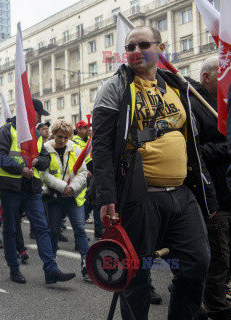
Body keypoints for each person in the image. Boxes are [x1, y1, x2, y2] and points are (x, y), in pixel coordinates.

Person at [93, 26, 217, 319]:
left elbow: (200, 141)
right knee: (136, 276)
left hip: (182, 194)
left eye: (143, 45)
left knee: (196, 264)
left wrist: (207, 193)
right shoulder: (116, 88)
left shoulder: (178, 85)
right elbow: (101, 147)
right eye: (130, 47)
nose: (135, 52)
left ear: (161, 47)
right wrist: (106, 198)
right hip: (139, 197)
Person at [0, 98, 75, 284]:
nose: (40, 119)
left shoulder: (37, 135)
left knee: (42, 229)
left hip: (32, 190)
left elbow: (45, 158)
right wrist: (21, 169)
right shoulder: (7, 130)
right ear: (29, 111)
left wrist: (38, 162)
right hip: (11, 188)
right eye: (38, 114)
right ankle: (14, 269)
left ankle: (51, 270)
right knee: (11, 229)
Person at [189, 56, 231, 319]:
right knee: (218, 259)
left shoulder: (224, 105)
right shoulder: (194, 104)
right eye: (223, 73)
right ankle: (216, 310)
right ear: (207, 76)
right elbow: (194, 152)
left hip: (228, 192)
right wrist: (227, 148)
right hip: (214, 196)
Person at [41, 120, 89, 280]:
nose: (62, 140)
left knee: (80, 230)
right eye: (59, 137)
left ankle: (86, 265)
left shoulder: (75, 148)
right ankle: (52, 263)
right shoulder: (46, 149)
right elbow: (44, 174)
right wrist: (63, 187)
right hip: (54, 197)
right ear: (53, 134)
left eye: (66, 137)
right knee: (53, 231)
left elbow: (83, 172)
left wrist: (72, 188)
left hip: (73, 197)